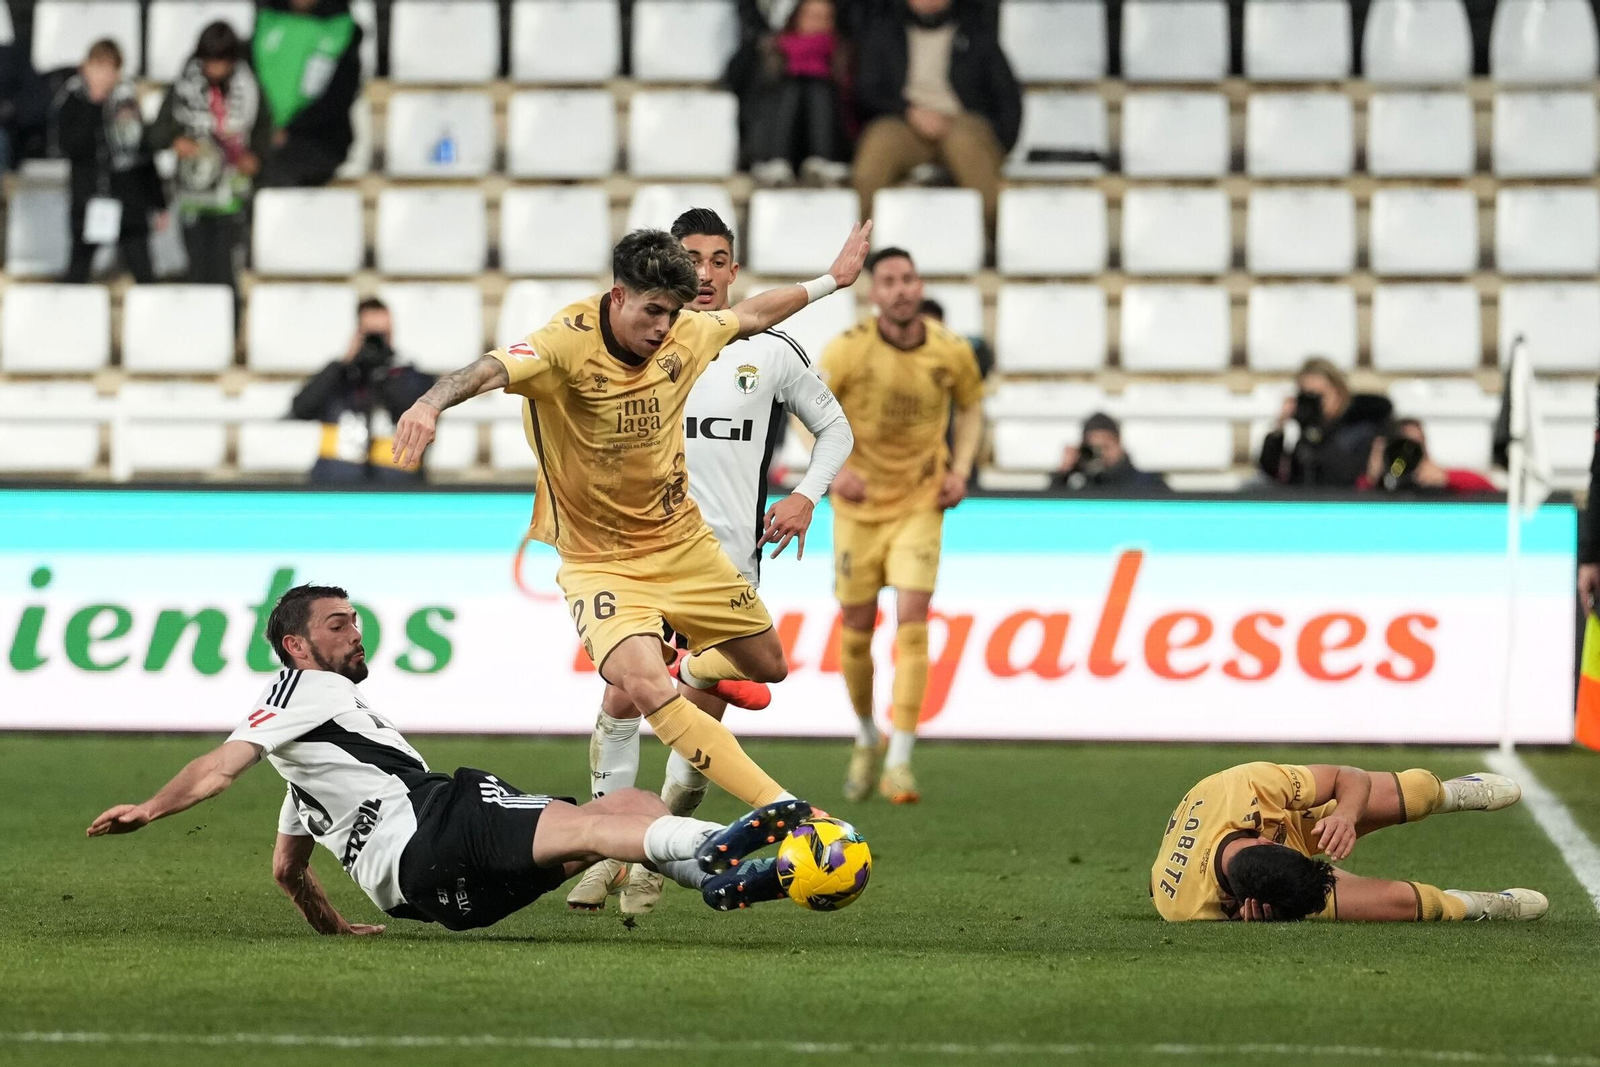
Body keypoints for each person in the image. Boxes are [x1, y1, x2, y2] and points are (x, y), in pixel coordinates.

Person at [390, 223, 873, 825]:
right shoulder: (564, 343)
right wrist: (429, 404)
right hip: (600, 560)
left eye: (672, 314)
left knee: (768, 665)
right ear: (617, 296)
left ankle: (693, 666)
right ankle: (786, 812)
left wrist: (833, 281)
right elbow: (488, 371)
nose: (662, 329)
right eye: (651, 312)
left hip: (681, 544)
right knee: (642, 687)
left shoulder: (684, 333)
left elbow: (750, 315)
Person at [86, 584, 818, 929]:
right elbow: (220, 764)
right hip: (435, 826)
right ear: (296, 647)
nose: (356, 635)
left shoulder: (313, 769)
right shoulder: (299, 688)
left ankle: (717, 876)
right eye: (338, 625)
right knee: (600, 825)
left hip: (431, 899)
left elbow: (287, 868)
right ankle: (722, 847)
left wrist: (335, 925)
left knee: (621, 811)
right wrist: (152, 807)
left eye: (357, 622)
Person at [567, 207, 855, 914]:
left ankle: (652, 857)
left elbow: (837, 429)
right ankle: (611, 848)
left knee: (699, 709)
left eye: (718, 259)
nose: (703, 271)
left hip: (723, 565)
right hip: (639, 554)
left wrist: (806, 497)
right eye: (690, 256)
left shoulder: (773, 353)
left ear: (732, 269)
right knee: (623, 694)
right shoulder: (643, 346)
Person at [820, 247, 984, 804]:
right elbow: (804, 405)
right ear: (873, 293)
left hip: (919, 501)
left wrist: (960, 471)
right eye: (888, 280)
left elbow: (973, 408)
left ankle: (901, 759)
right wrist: (832, 472)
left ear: (919, 285)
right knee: (858, 626)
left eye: (908, 278)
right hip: (859, 506)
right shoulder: (848, 350)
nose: (900, 289)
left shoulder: (950, 350)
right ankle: (867, 734)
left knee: (913, 623)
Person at [1153, 761, 1546, 923]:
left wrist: (1345, 815)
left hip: (1290, 816)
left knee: (1415, 792)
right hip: (1266, 879)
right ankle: (1480, 905)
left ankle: (1452, 793)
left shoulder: (1243, 787)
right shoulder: (1186, 907)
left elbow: (1350, 776)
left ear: (1271, 843)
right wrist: (1255, 918)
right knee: (1407, 905)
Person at [852, 0, 1021, 235]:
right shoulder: (885, 31)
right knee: (879, 144)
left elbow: (1007, 95)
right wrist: (909, 112)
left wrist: (1001, 141)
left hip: (962, 120)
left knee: (965, 143)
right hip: (905, 119)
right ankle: (860, 245)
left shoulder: (976, 33)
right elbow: (867, 90)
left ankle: (996, 239)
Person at [146, 21, 272, 304]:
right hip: (193, 195)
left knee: (226, 269)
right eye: (209, 61)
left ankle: (229, 329)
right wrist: (177, 139)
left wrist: (255, 156)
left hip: (231, 195)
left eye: (220, 62)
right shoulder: (184, 88)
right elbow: (156, 133)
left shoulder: (249, 88)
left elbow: (264, 126)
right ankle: (200, 331)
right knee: (198, 269)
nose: (213, 69)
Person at [51, 40, 165, 284]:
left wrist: (158, 202)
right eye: (98, 67)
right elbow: (70, 146)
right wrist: (95, 107)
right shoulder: (72, 102)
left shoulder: (127, 104)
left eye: (110, 69)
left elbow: (143, 155)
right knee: (77, 272)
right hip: (88, 201)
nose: (104, 76)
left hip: (129, 203)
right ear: (86, 68)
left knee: (144, 273)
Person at [289, 298, 436, 485]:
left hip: (397, 491)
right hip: (334, 489)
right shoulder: (338, 377)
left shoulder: (409, 376)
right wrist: (343, 364)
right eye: (370, 335)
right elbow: (300, 408)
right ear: (357, 334)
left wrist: (384, 373)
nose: (375, 342)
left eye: (382, 334)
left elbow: (417, 407)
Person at [727, 0, 852, 187]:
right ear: (796, 18)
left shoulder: (842, 55)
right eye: (813, 16)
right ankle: (776, 159)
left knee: (818, 89)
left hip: (828, 142)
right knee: (792, 88)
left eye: (826, 18)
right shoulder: (770, 50)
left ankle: (822, 158)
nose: (819, 24)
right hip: (771, 139)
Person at [253, 0, 363, 188]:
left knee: (271, 174)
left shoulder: (342, 31)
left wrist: (291, 130)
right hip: (261, 136)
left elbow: (338, 98)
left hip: (319, 139)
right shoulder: (266, 23)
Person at [1258, 357, 1393, 489]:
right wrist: (1280, 426)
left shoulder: (1361, 427)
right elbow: (1272, 471)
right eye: (1307, 396)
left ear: (1338, 392)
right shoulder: (1307, 430)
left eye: (1318, 396)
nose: (1313, 404)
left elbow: (1344, 474)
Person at [1357, 418, 1496, 495]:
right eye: (1404, 444)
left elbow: (1491, 491)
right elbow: (1352, 504)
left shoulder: (1440, 479)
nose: (1408, 452)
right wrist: (1372, 478)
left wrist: (1447, 478)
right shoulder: (1379, 484)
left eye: (1417, 445)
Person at [1050, 412, 1167, 492]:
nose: (1101, 453)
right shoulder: (1075, 483)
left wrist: (1115, 467)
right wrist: (1064, 473)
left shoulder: (1147, 483)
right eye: (1094, 447)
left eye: (1107, 445)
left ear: (1118, 444)